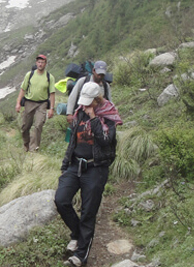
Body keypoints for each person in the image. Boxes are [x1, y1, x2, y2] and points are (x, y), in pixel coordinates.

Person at [54, 82, 122, 267]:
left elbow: (105, 141)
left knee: (88, 212)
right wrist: (65, 165)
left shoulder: (109, 116)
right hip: (75, 166)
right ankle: (77, 234)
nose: (84, 106)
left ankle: (81, 255)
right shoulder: (80, 112)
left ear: (97, 99)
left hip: (96, 169)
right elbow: (73, 141)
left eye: (88, 103)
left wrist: (93, 118)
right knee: (61, 200)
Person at [15, 54, 56, 152]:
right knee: (25, 126)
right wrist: (18, 103)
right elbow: (22, 89)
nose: (40, 64)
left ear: (45, 64)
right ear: (36, 63)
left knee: (38, 125)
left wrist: (51, 109)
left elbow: (52, 93)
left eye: (42, 62)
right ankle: (26, 145)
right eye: (39, 62)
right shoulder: (30, 75)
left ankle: (33, 149)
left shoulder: (49, 77)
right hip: (29, 102)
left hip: (42, 104)